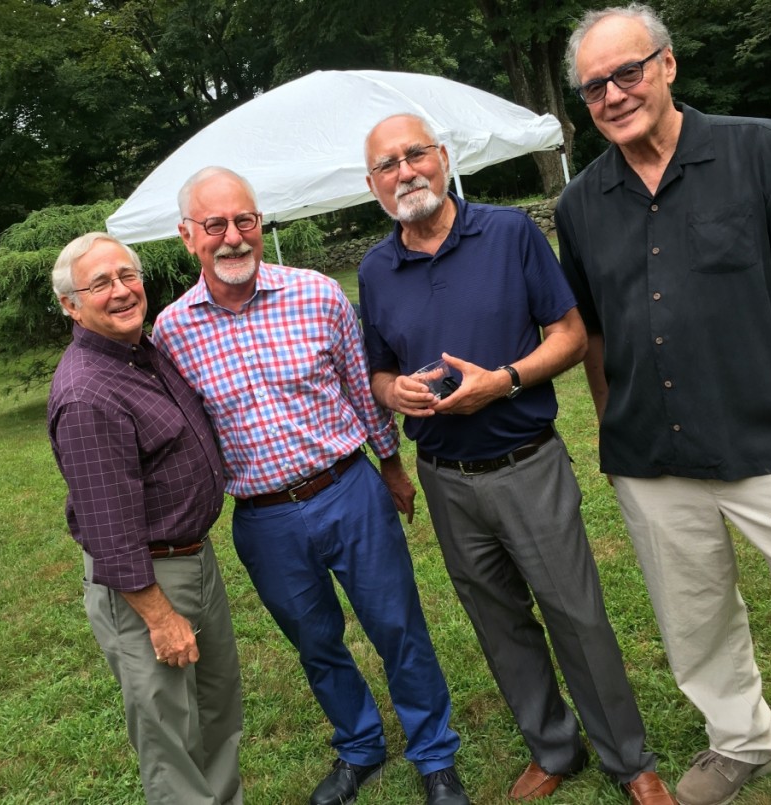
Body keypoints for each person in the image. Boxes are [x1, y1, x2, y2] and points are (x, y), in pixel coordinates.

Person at [557, 5, 771, 805]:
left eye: (628, 72)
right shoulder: (581, 205)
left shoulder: (758, 149)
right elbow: (593, 334)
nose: (613, 95)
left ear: (668, 65)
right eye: (594, 87)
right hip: (653, 458)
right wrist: (613, 422)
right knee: (694, 622)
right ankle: (741, 739)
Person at [357, 113, 676, 805]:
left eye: (416, 154)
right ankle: (553, 746)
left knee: (577, 615)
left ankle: (629, 759)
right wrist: (395, 390)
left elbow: (569, 334)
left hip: (526, 461)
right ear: (372, 183)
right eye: (388, 164)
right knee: (498, 621)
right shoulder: (376, 269)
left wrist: (501, 381)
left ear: (442, 158)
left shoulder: (507, 233)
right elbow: (376, 373)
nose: (405, 170)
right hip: (447, 478)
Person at [151, 166, 469, 805]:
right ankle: (359, 747)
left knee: (397, 625)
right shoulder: (170, 333)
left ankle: (434, 756)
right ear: (189, 237)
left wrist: (392, 467)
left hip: (348, 491)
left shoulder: (318, 295)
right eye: (216, 225)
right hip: (263, 518)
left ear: (261, 223)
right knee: (316, 642)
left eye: (246, 220)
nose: (235, 237)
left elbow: (362, 388)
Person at [47, 232, 242, 805]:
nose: (120, 291)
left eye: (126, 276)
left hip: (192, 560)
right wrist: (159, 617)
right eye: (100, 283)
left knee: (216, 711)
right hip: (145, 585)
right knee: (171, 740)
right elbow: (108, 530)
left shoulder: (143, 351)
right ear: (70, 305)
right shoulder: (87, 394)